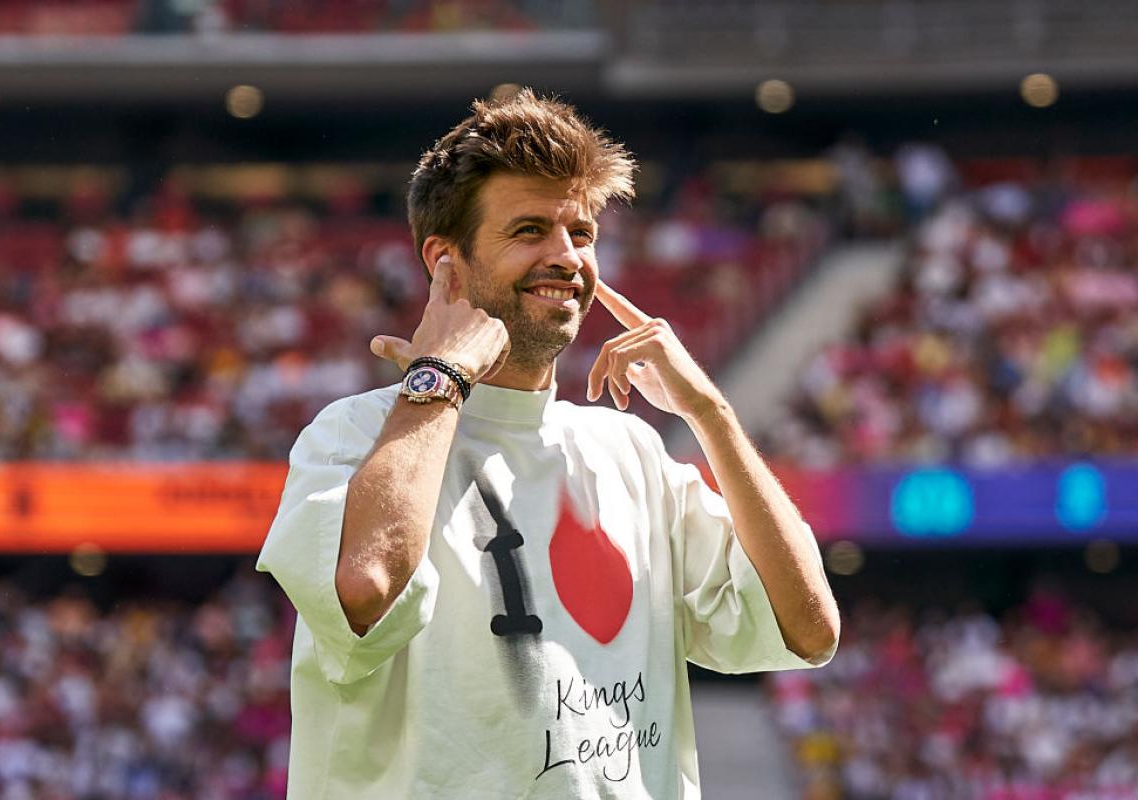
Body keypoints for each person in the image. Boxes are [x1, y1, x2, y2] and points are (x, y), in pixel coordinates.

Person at [257, 89, 840, 799]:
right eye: (530, 229)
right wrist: (440, 376)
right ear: (447, 262)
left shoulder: (632, 451)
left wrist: (710, 413)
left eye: (582, 233)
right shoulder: (354, 433)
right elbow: (364, 589)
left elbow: (809, 629)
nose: (566, 257)